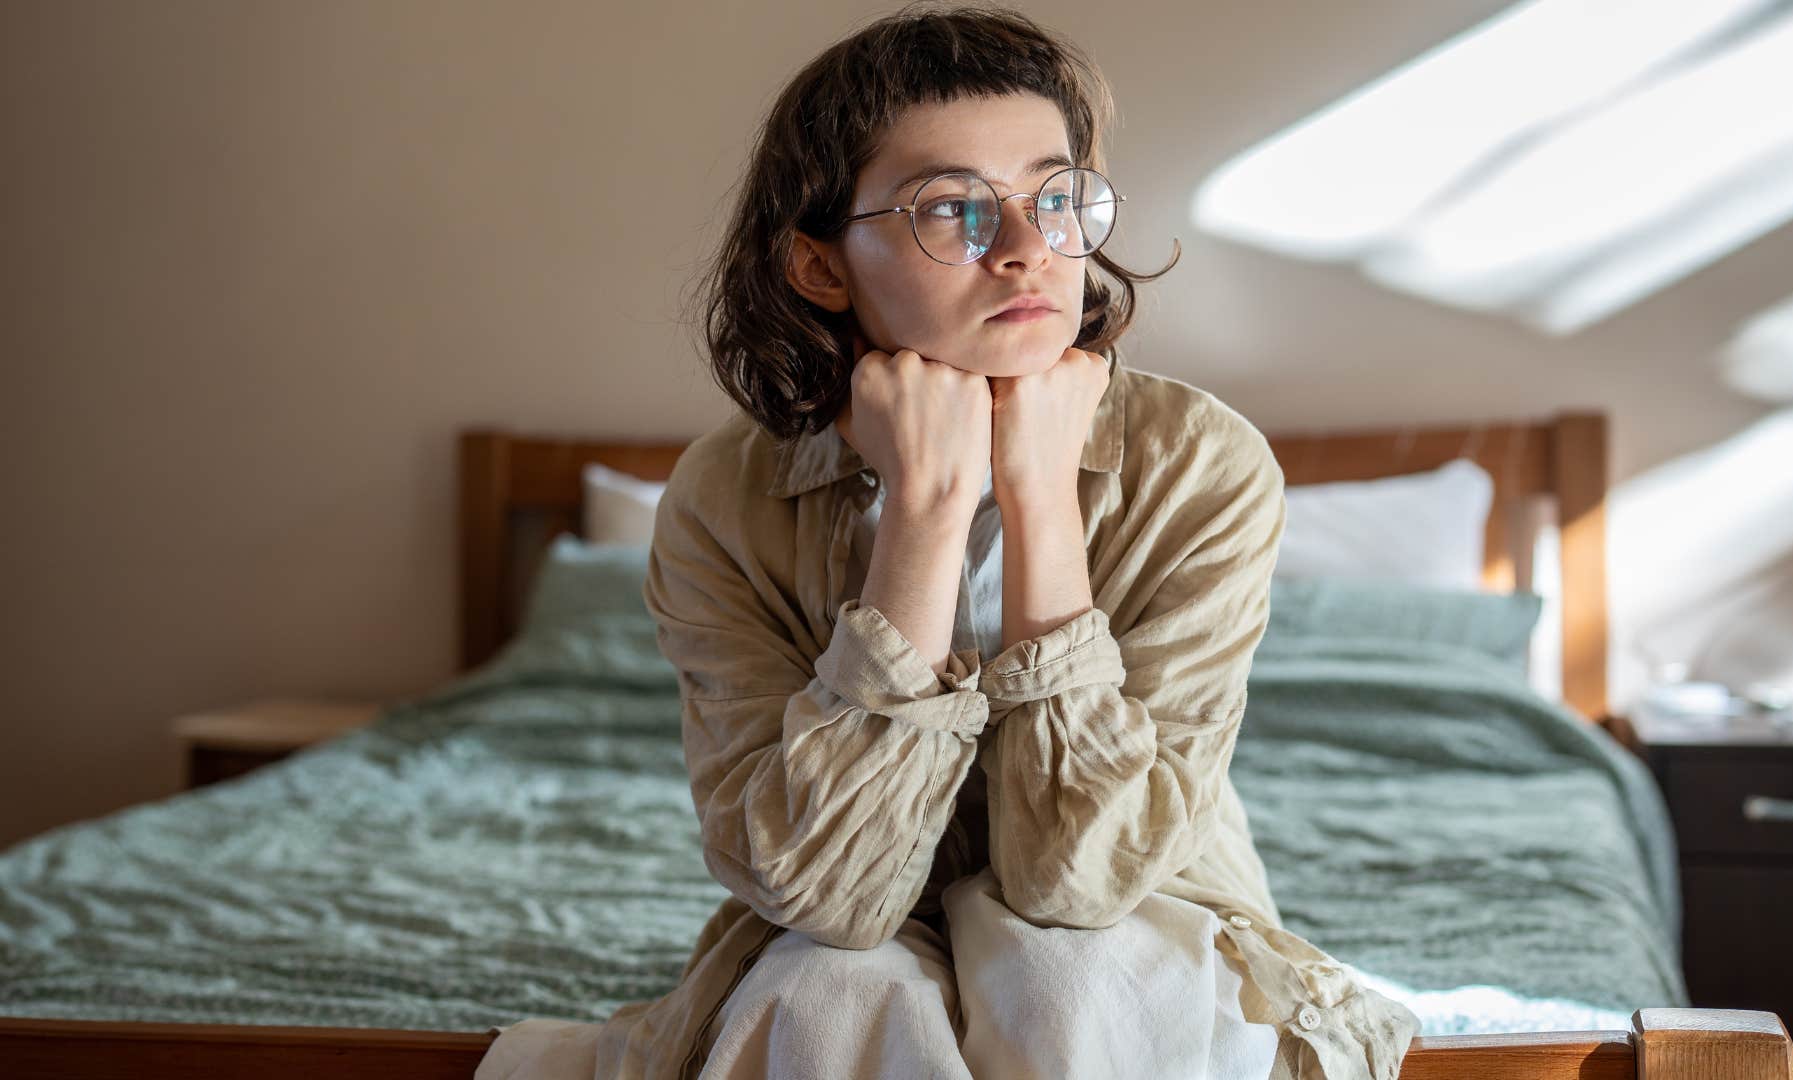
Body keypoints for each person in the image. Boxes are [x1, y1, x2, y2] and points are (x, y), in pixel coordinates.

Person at [477, 5, 1418, 1078]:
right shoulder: (722, 500)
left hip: (1140, 914)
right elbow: (834, 895)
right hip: (847, 930)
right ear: (822, 267)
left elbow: (1081, 886)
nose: (1028, 251)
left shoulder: (1203, 466)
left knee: (1078, 976)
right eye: (953, 210)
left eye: (1055, 199)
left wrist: (1041, 499)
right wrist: (926, 510)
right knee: (830, 991)